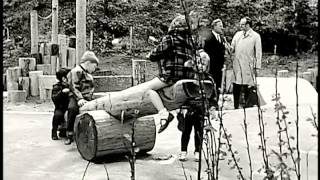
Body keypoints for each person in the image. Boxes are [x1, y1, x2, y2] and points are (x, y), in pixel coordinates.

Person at [145, 14, 199, 133]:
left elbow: (155, 55)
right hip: (189, 75)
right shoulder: (190, 40)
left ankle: (164, 114)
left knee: (149, 90)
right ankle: (180, 113)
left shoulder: (170, 38)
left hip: (173, 75)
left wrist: (149, 55)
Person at [64, 51, 99, 145]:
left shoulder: (88, 74)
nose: (94, 69)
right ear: (88, 63)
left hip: (87, 97)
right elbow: (73, 86)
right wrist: (79, 98)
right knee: (72, 109)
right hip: (76, 96)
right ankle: (69, 133)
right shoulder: (76, 71)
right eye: (94, 66)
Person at [230, 17, 262, 109]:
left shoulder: (255, 36)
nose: (240, 26)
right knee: (236, 85)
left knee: (248, 86)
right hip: (237, 65)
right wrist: (228, 48)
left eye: (242, 24)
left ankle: (248, 106)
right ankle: (236, 106)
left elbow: (258, 53)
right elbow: (232, 48)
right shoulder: (237, 35)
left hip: (248, 65)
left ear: (248, 25)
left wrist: (257, 67)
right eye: (240, 24)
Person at [202, 19, 230, 102]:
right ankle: (210, 102)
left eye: (222, 26)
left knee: (218, 85)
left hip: (219, 67)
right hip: (211, 67)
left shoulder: (221, 38)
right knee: (210, 85)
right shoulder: (209, 37)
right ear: (214, 26)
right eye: (220, 26)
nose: (222, 28)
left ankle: (216, 102)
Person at [51, 68, 71, 140]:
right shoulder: (57, 87)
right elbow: (54, 98)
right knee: (57, 115)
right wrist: (62, 93)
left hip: (69, 106)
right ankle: (54, 132)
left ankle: (65, 130)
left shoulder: (71, 85)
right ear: (64, 79)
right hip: (61, 107)